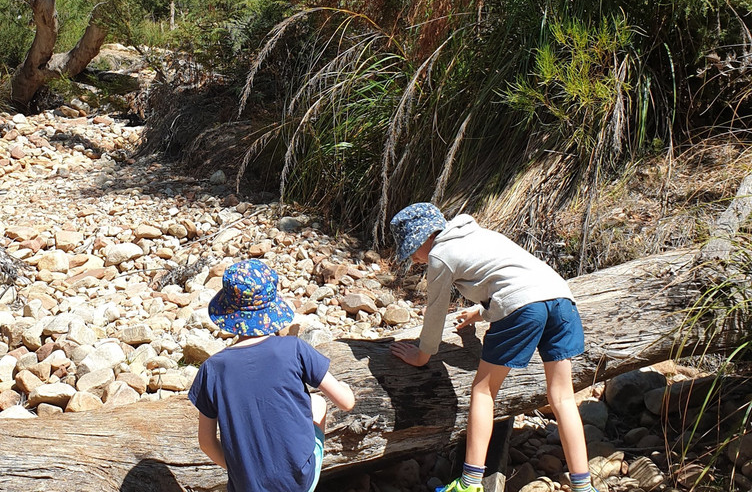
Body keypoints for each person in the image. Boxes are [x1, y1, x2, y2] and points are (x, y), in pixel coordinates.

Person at [388, 203, 595, 492]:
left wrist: (423, 355)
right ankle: (584, 487)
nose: (413, 257)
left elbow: (435, 313)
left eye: (411, 249)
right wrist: (481, 312)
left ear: (424, 238)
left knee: (483, 391)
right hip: (562, 299)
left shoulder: (439, 255)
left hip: (525, 308)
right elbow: (515, 278)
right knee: (562, 397)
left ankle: (469, 483)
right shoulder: (479, 234)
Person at [188, 259, 356, 492]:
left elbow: (206, 443)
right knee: (317, 401)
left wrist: (242, 471)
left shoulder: (212, 368)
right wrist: (346, 387)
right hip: (298, 483)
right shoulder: (294, 348)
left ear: (229, 312)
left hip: (246, 486)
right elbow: (346, 403)